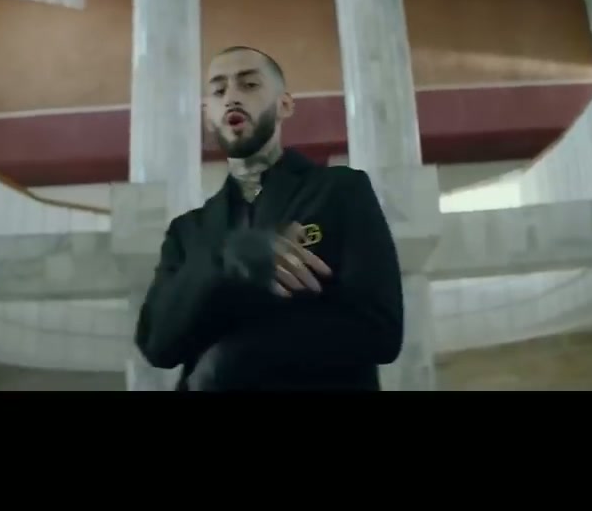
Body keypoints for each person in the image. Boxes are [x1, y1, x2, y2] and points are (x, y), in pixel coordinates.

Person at [133, 46, 404, 391]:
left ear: (284, 105)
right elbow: (157, 344)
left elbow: (381, 330)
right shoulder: (188, 231)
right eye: (218, 90)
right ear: (207, 115)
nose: (232, 97)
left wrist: (231, 360)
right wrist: (227, 260)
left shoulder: (339, 191)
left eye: (249, 85)